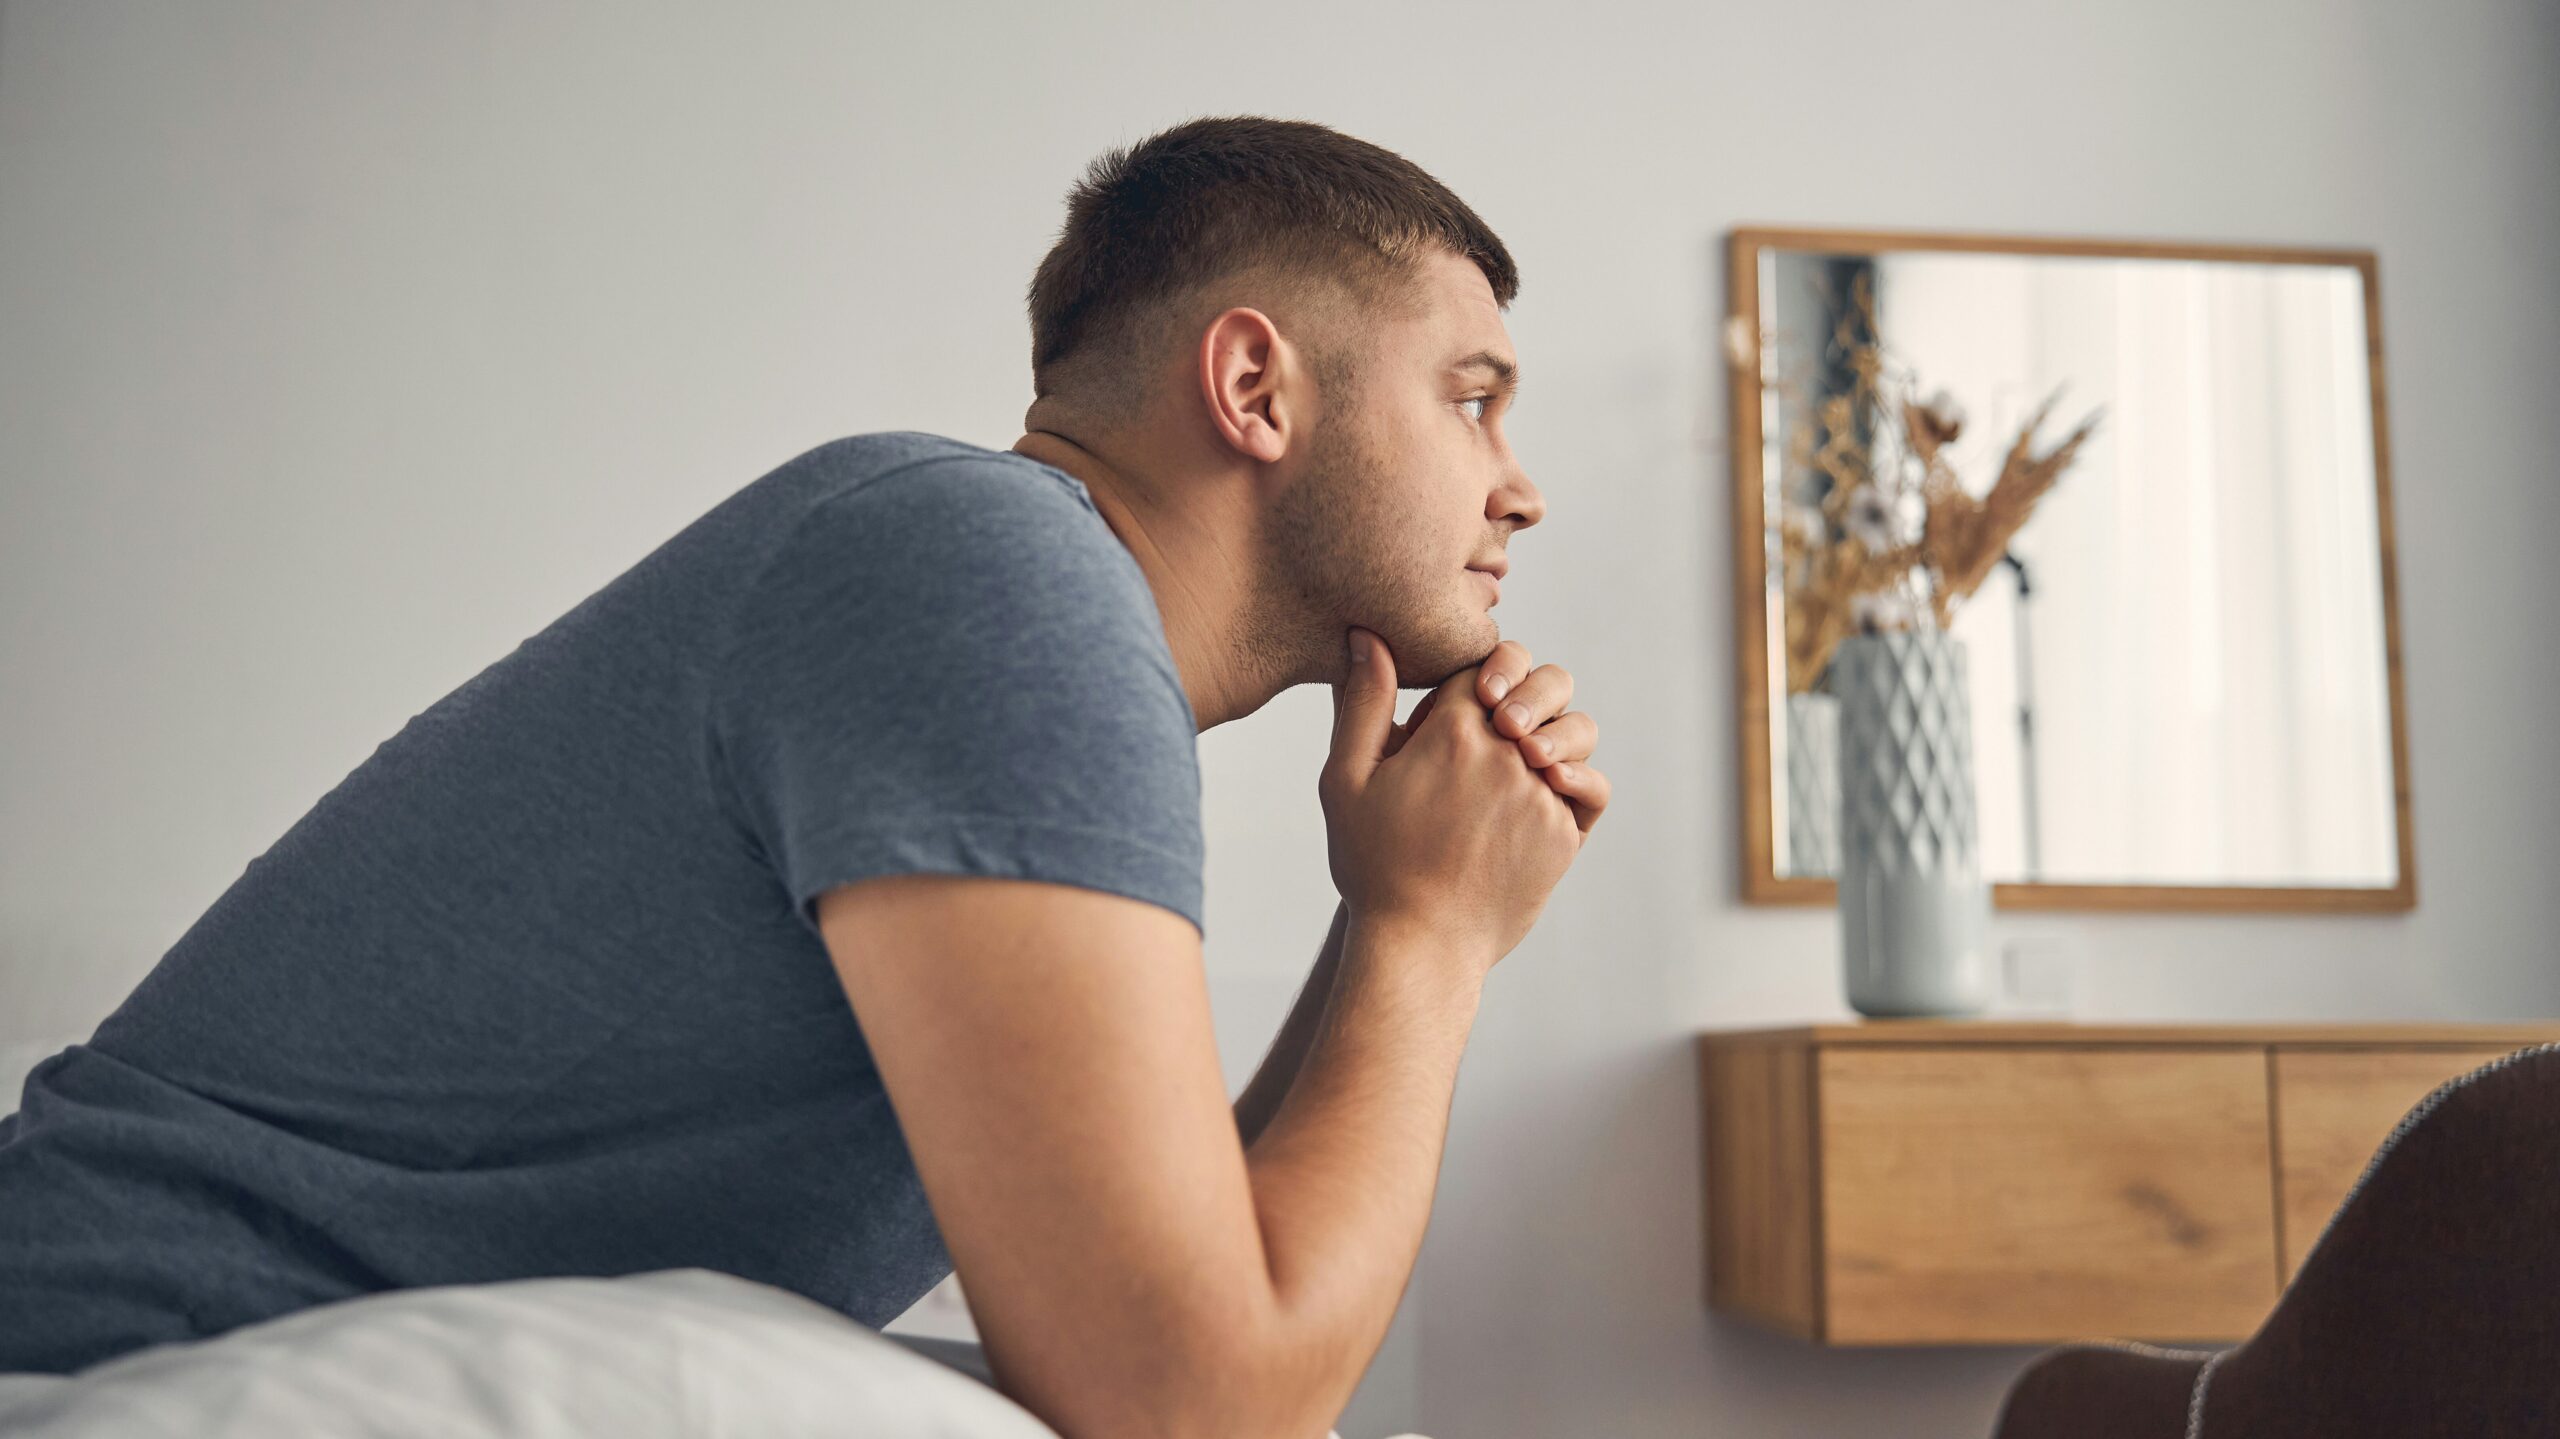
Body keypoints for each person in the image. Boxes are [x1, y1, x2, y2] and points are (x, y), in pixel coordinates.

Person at [0, 114, 1608, 1438]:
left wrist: (1387, 911)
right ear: (1255, 388)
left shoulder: (1009, 595)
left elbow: (1185, 1279)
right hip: (114, 1357)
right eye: (1473, 399)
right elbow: (1186, 1405)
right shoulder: (994, 576)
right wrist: (1434, 944)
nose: (1520, 489)